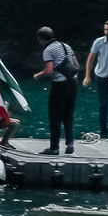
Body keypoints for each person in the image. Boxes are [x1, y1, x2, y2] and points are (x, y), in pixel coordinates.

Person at [34, 26, 80, 154]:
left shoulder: (48, 50)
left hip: (60, 85)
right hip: (73, 83)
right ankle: (70, 145)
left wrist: (38, 75)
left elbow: (49, 70)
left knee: (55, 116)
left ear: (41, 39)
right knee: (68, 115)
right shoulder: (66, 46)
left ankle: (54, 147)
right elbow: (76, 65)